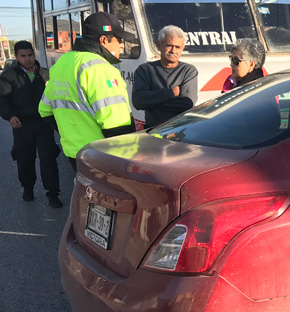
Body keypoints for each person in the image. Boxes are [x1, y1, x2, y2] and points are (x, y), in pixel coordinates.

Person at [39, 12, 136, 173]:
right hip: (102, 157)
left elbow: (44, 110)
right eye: (119, 39)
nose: (121, 45)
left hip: (75, 154)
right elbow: (117, 125)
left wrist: (71, 135)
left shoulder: (62, 63)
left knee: (84, 188)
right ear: (103, 40)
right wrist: (128, 160)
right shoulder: (101, 69)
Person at [0, 41, 62, 207]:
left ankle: (53, 194)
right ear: (16, 57)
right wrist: (10, 116)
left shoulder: (45, 74)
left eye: (30, 55)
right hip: (22, 125)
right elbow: (2, 100)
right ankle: (28, 188)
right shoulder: (8, 76)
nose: (27, 59)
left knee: (48, 159)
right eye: (23, 56)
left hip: (44, 124)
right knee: (25, 160)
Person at [132, 25, 198, 128]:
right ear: (159, 45)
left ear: (182, 48)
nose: (173, 51)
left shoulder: (188, 71)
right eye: (169, 45)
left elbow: (187, 104)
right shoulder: (145, 70)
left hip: (180, 130)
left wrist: (151, 102)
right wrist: (171, 93)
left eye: (177, 47)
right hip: (153, 131)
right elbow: (138, 101)